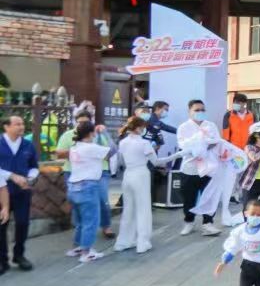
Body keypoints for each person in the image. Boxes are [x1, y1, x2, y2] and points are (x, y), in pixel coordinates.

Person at [114, 115, 179, 254]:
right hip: (141, 174)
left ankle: (123, 241)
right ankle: (142, 242)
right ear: (138, 128)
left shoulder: (123, 142)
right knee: (143, 209)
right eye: (143, 128)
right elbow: (157, 162)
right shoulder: (144, 143)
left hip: (128, 175)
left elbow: (121, 162)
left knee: (128, 210)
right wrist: (177, 156)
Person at [55, 105, 115, 241]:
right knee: (78, 205)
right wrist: (77, 152)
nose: (82, 124)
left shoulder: (95, 134)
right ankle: (82, 237)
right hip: (73, 172)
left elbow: (109, 151)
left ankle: (106, 226)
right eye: (80, 122)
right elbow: (58, 153)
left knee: (102, 199)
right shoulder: (68, 135)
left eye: (86, 122)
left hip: (100, 172)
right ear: (75, 122)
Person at [66, 120, 115, 263]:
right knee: (91, 221)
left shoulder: (74, 147)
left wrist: (98, 135)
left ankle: (77, 247)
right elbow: (112, 150)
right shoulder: (90, 148)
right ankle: (86, 252)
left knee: (80, 221)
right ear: (90, 133)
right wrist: (105, 133)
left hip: (73, 187)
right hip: (88, 187)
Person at [0, 115, 39, 273]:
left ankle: (19, 254)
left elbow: (34, 166)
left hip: (22, 192)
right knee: (1, 226)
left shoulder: (28, 145)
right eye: (17, 124)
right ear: (6, 127)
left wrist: (30, 178)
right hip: (2, 191)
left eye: (22, 124)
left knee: (23, 223)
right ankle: (2, 260)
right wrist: (11, 176)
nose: (21, 127)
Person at [176, 99, 221, 236]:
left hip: (208, 168)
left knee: (208, 197)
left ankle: (208, 223)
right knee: (189, 198)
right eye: (197, 110)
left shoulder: (211, 125)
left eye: (202, 110)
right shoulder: (184, 127)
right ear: (189, 112)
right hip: (190, 168)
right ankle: (189, 222)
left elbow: (216, 141)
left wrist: (203, 145)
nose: (200, 112)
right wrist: (200, 144)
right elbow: (184, 146)